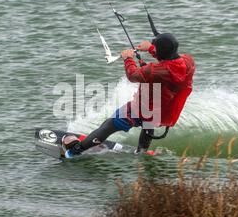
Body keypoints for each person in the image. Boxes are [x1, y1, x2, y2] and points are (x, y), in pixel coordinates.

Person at [63, 33, 195, 158]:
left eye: (157, 48)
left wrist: (128, 58)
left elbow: (133, 75)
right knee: (148, 124)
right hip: (163, 110)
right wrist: (150, 48)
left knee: (108, 125)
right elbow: (166, 62)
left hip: (144, 108)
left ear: (161, 51)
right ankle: (141, 152)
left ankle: (75, 151)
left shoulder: (154, 70)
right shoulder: (188, 61)